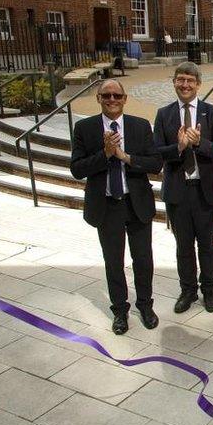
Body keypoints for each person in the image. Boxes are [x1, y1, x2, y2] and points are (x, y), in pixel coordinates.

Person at [70, 79, 163, 335]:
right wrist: (106, 154)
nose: (112, 100)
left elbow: (155, 163)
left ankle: (145, 305)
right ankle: (120, 311)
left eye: (117, 95)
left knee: (143, 259)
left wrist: (125, 157)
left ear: (125, 99)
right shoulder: (85, 128)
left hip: (136, 204)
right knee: (113, 261)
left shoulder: (140, 126)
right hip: (107, 205)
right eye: (106, 95)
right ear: (98, 99)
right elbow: (77, 169)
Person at [152, 61, 213, 314]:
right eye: (180, 79)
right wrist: (180, 147)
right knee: (183, 246)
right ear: (174, 82)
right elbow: (156, 152)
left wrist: (199, 143)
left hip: (205, 191)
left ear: (198, 84)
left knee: (207, 244)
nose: (185, 84)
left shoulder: (212, 113)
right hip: (178, 191)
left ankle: (209, 291)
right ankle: (187, 291)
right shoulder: (164, 114)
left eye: (190, 80)